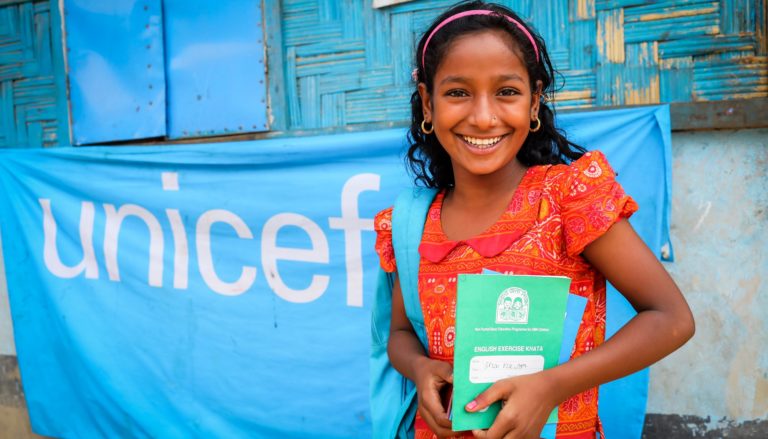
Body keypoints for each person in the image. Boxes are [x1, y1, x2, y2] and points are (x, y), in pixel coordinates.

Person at [372, 2, 695, 438]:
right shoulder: (412, 222)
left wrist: (551, 387)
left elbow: (670, 318)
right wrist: (420, 368)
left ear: (534, 100)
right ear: (428, 103)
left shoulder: (568, 199)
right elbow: (398, 334)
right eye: (457, 93)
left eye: (506, 92)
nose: (483, 117)